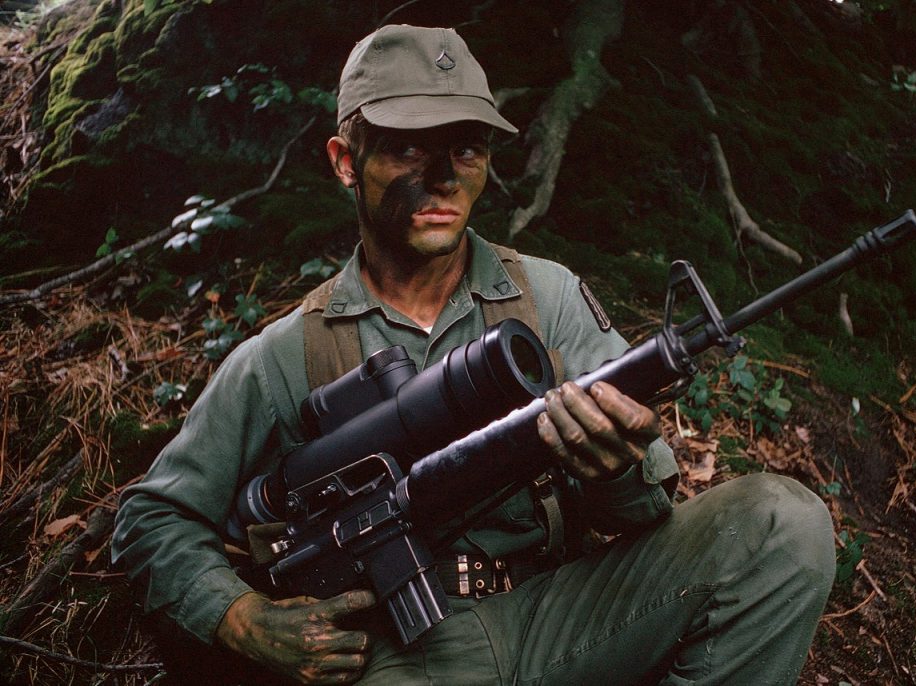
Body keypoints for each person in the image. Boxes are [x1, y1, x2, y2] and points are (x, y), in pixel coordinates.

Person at [112, 24, 835, 686]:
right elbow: (150, 520)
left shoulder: (545, 299)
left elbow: (643, 516)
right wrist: (244, 622)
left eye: (466, 147)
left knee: (782, 526)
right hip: (395, 657)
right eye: (406, 146)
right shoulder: (284, 355)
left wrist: (616, 466)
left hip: (563, 610)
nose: (445, 176)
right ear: (344, 161)